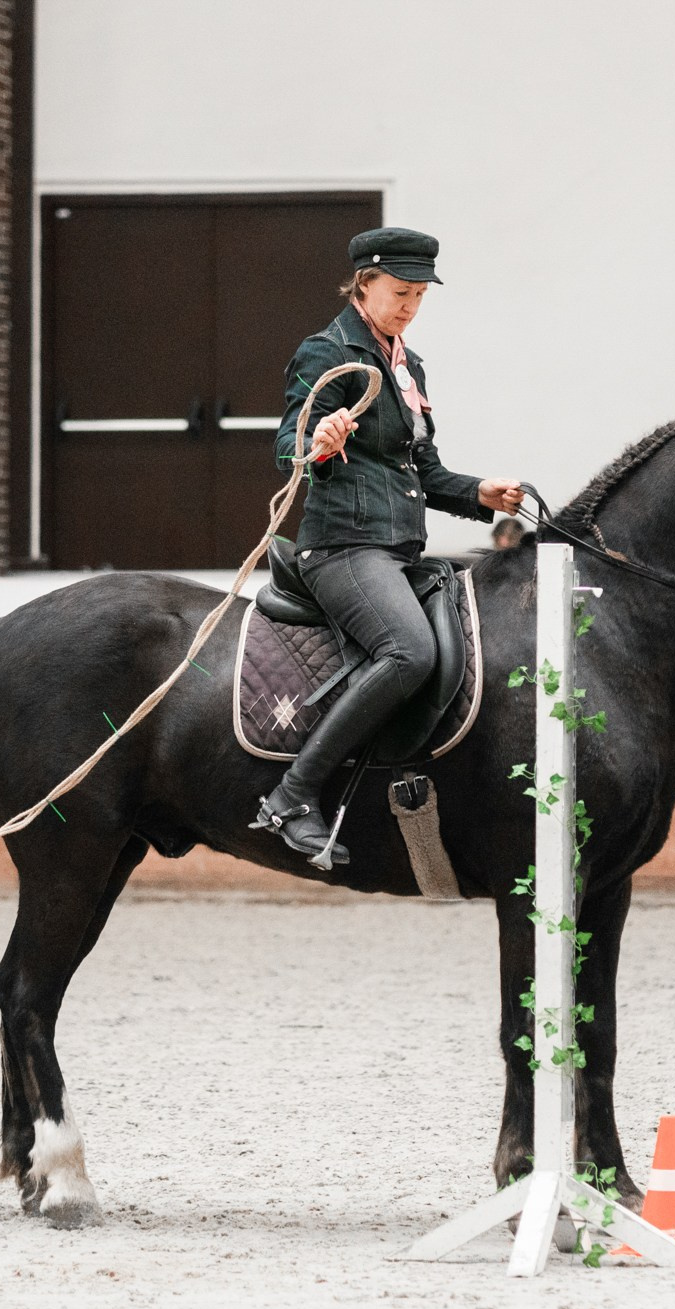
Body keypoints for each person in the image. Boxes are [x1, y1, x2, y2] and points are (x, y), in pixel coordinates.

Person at [255, 227, 525, 866]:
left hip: (400, 549)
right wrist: (318, 437)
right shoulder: (326, 353)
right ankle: (291, 796)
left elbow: (424, 473)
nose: (409, 305)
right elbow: (285, 448)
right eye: (399, 292)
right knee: (408, 651)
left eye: (420, 295)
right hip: (342, 549)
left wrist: (482, 493)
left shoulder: (407, 364)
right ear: (364, 284)